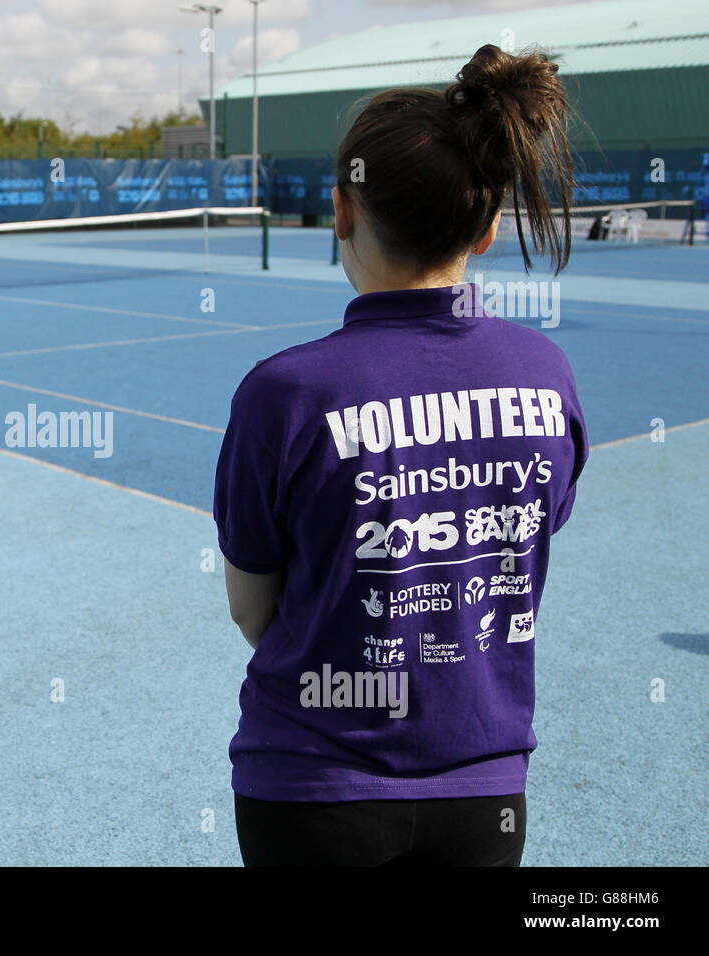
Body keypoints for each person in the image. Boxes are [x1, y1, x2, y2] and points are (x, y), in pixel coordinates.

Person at [214, 44, 588, 867]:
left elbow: (252, 610)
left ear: (342, 212)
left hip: (311, 789)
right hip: (484, 793)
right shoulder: (546, 375)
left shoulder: (285, 393)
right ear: (489, 227)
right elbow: (522, 539)